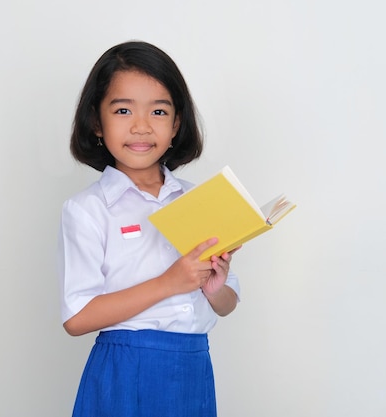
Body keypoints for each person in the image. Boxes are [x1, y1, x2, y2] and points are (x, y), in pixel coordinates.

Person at [57, 40, 241, 417]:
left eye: (158, 111)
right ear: (96, 122)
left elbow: (228, 304)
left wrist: (215, 287)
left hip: (192, 368)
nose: (141, 126)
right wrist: (170, 283)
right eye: (123, 110)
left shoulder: (199, 201)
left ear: (176, 125)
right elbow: (77, 318)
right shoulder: (87, 209)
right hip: (125, 369)